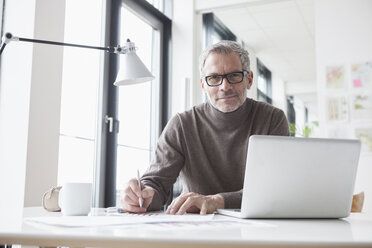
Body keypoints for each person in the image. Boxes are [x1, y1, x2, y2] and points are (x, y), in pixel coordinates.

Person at [120, 40, 289, 215]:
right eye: (214, 78)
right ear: (203, 84)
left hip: (259, 224)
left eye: (234, 75)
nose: (225, 86)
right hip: (199, 227)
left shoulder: (272, 118)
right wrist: (142, 196)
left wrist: (217, 201)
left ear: (249, 79)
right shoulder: (182, 125)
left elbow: (274, 188)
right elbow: (156, 184)